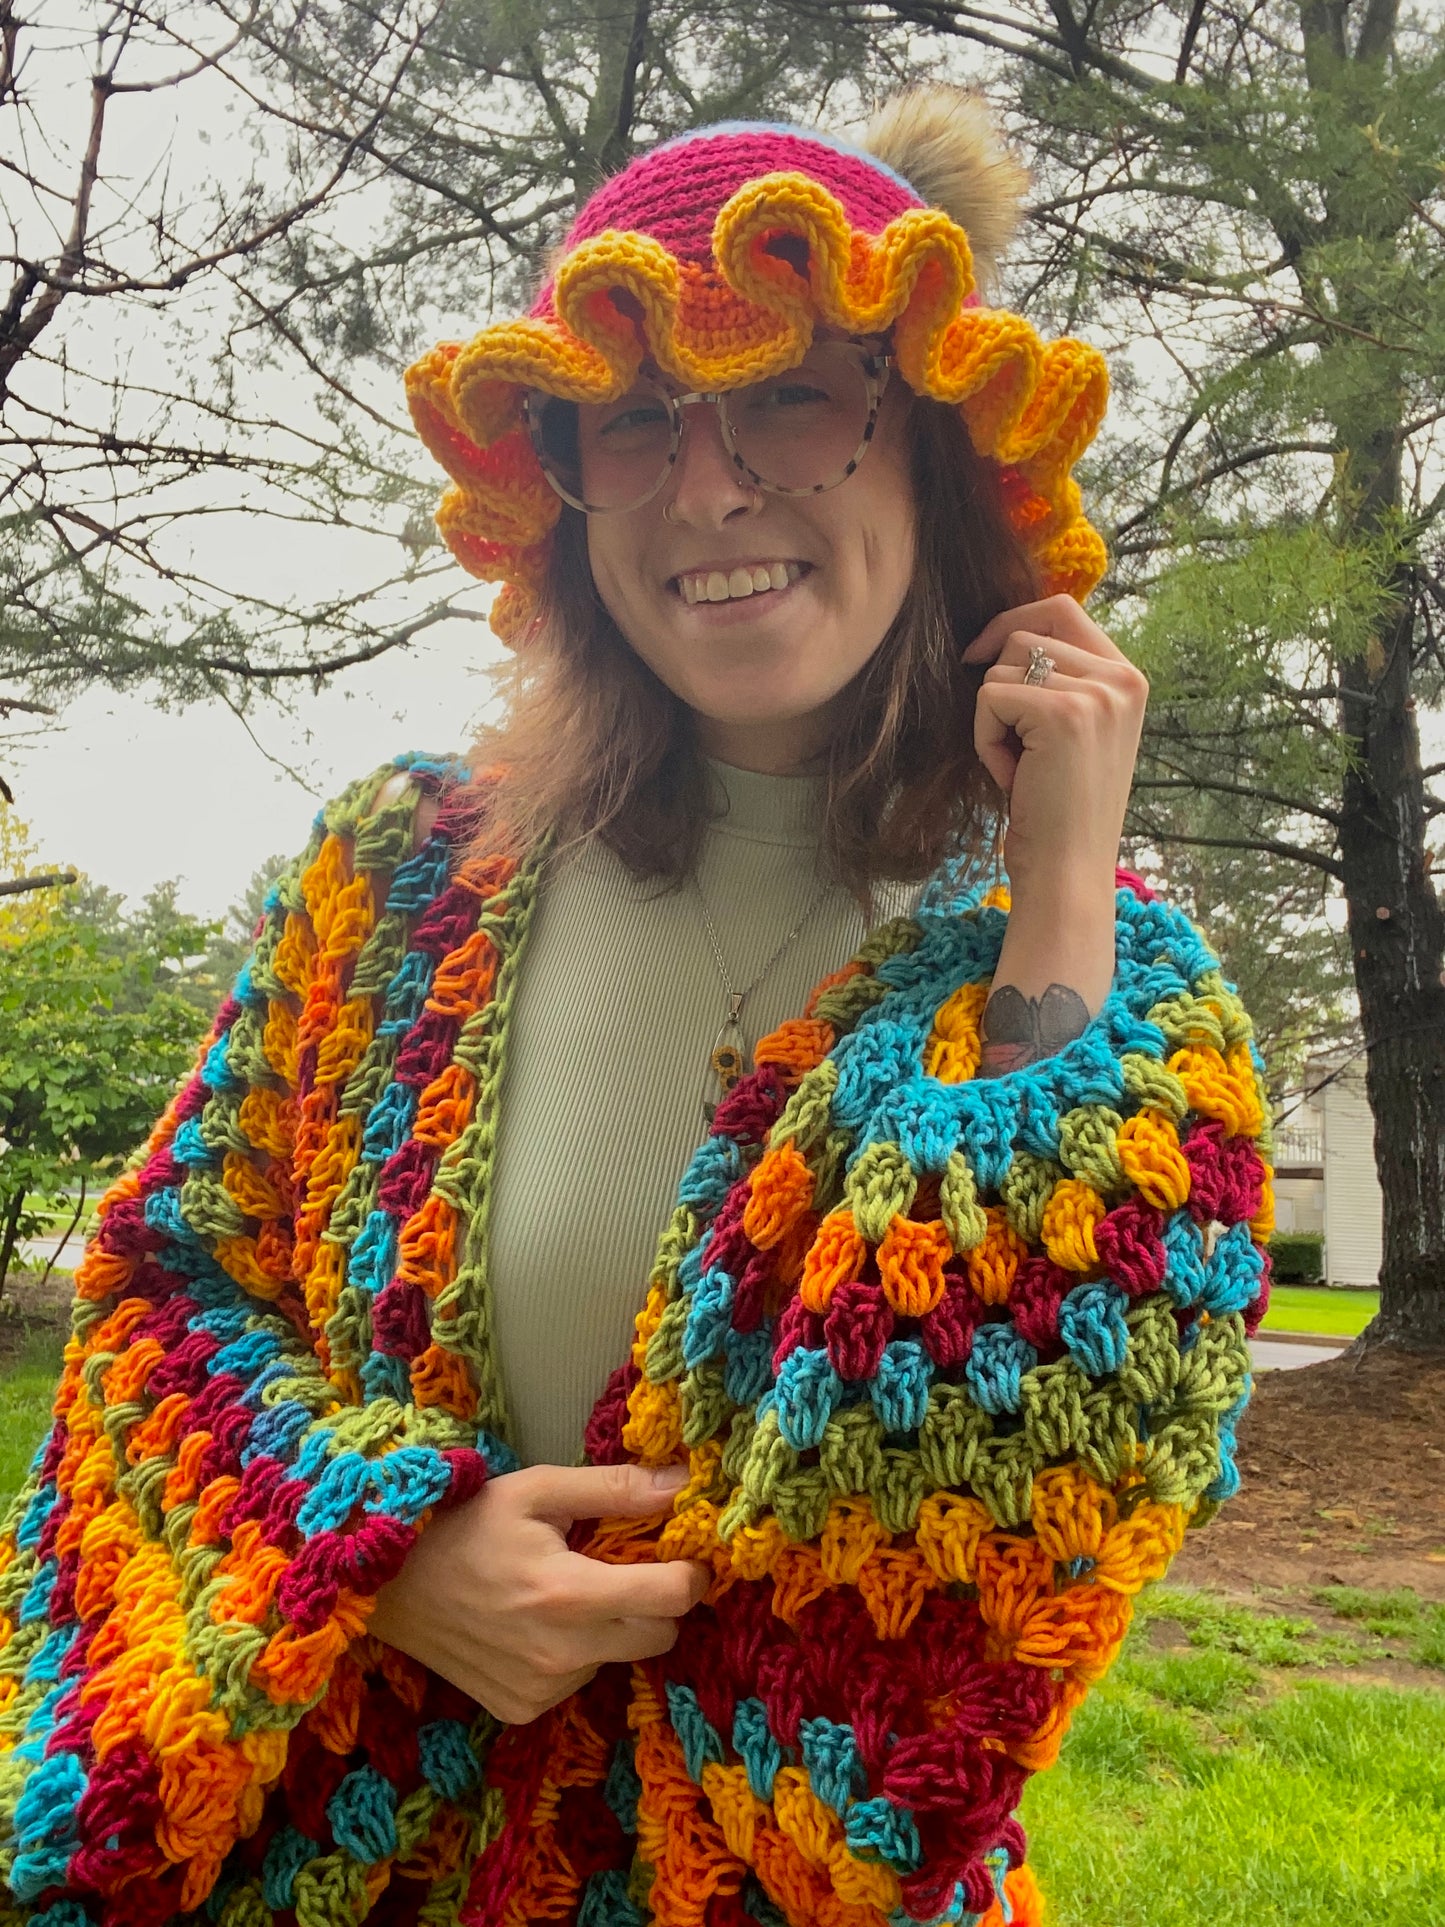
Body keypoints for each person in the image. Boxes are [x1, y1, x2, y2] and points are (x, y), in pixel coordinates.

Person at [0, 87, 1272, 1927]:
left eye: (789, 398)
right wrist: (380, 1550)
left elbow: (1023, 1490)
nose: (708, 485)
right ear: (562, 490)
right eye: (636, 424)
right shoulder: (400, 882)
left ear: (926, 448)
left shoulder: (1079, 976)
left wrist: (1058, 892)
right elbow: (157, 1298)